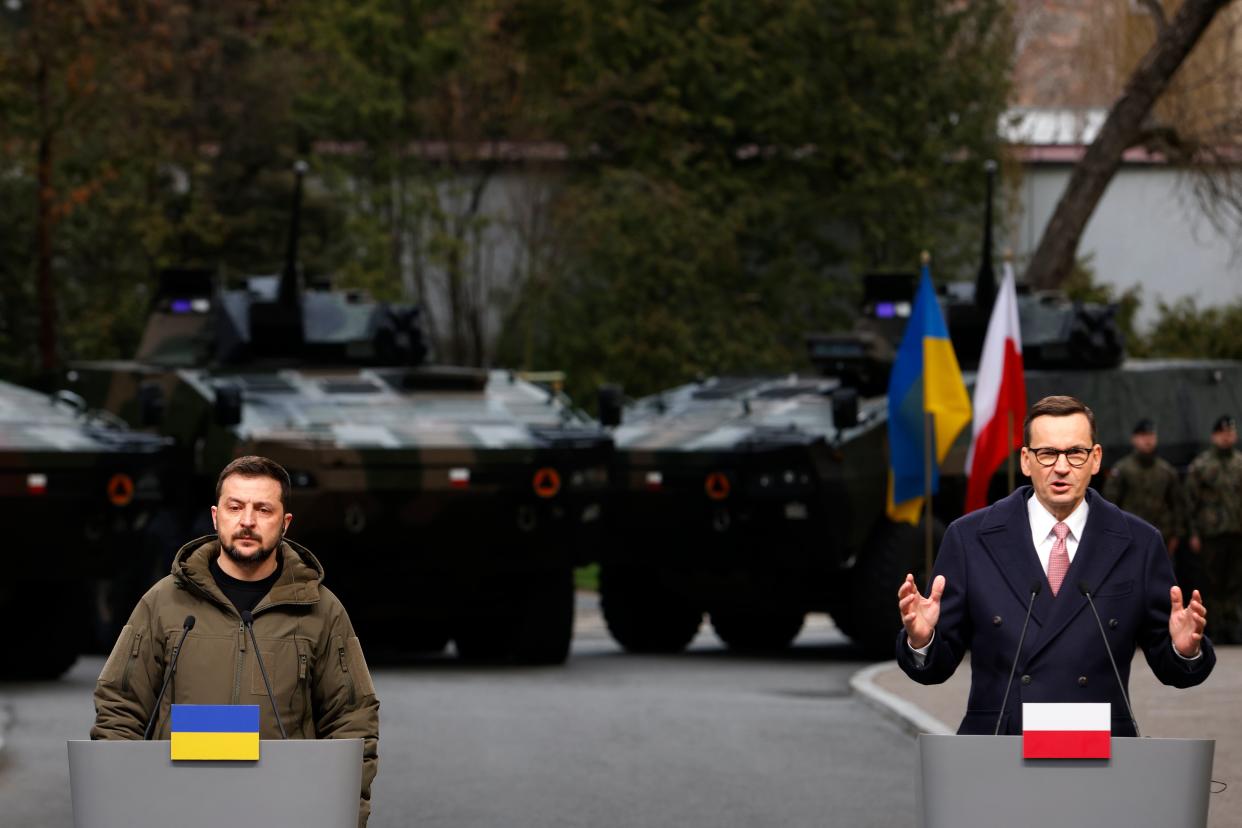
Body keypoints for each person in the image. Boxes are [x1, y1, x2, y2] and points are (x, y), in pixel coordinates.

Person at [895, 395, 1213, 736]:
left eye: (1075, 453)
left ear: (1095, 459)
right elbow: (935, 668)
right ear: (1026, 461)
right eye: (1047, 454)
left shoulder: (1139, 542)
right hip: (1000, 749)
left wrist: (1184, 650)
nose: (1061, 467)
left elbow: (1174, 669)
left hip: (1099, 750)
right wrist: (923, 640)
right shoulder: (970, 538)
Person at [92, 456, 380, 827]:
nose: (247, 521)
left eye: (263, 509)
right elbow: (119, 708)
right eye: (235, 507)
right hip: (179, 812)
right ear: (216, 517)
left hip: (284, 813)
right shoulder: (163, 603)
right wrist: (125, 807)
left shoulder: (321, 611)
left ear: (285, 523)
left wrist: (343, 814)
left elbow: (353, 721)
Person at [1186, 415, 1242, 644]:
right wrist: (1193, 532)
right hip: (1211, 534)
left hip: (1237, 531)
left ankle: (1234, 627)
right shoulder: (1201, 465)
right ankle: (1215, 629)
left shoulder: (1240, 463)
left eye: (1231, 432)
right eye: (1223, 433)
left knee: (1236, 582)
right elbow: (1189, 501)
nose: (1228, 436)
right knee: (1212, 583)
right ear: (1214, 436)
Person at [1102, 418, 1187, 557]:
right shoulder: (1122, 469)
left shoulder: (1166, 471)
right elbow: (1110, 504)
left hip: (1161, 535)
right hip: (1131, 535)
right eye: (1143, 436)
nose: (1148, 440)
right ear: (1134, 439)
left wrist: (1176, 535)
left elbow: (1176, 503)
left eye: (1151, 436)